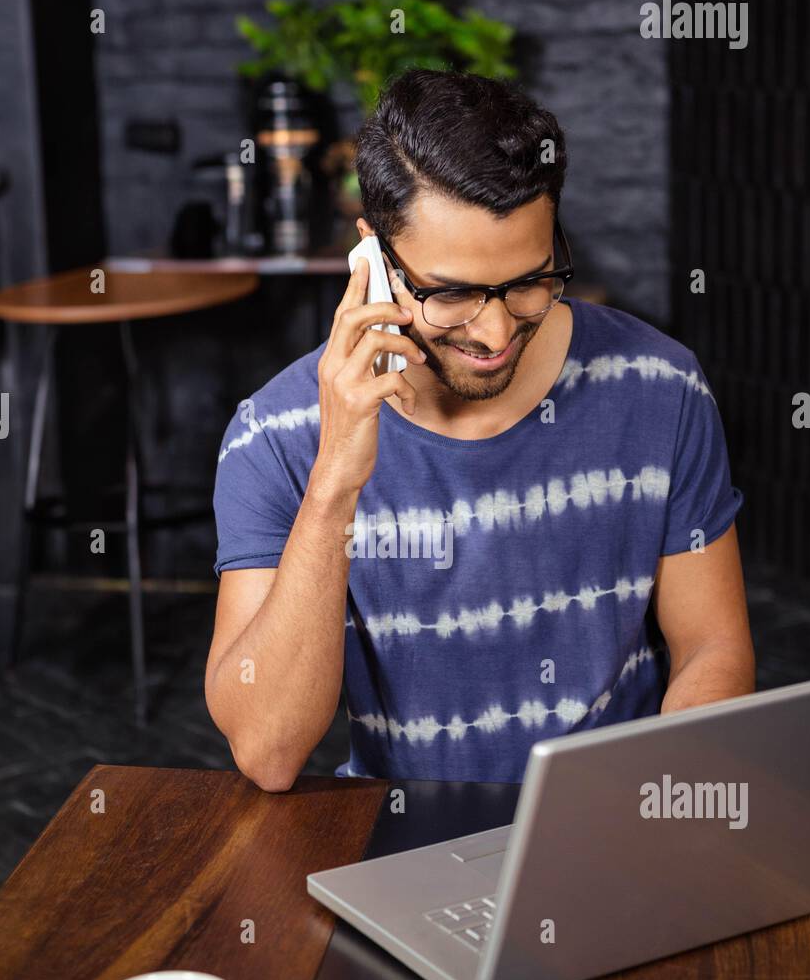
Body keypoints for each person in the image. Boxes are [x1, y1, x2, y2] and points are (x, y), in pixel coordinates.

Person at [206, 68, 754, 789]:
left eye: (528, 279)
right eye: (453, 292)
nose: (495, 331)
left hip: (611, 822)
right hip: (400, 845)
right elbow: (269, 753)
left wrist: (658, 814)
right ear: (371, 258)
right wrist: (336, 476)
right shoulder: (274, 435)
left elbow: (712, 647)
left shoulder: (661, 386)